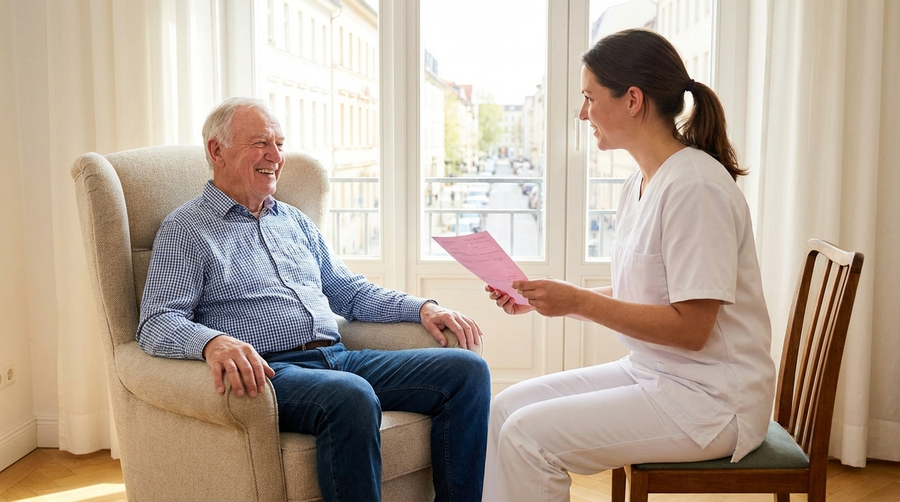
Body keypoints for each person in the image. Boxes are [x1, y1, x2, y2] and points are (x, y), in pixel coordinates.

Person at [137, 97, 490, 502]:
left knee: (467, 371)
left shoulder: (293, 220)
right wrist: (211, 342)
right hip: (273, 373)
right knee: (351, 395)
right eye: (260, 143)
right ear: (217, 151)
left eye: (279, 144)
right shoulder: (187, 228)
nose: (275, 156)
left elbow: (350, 292)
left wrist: (423, 308)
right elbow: (157, 321)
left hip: (339, 359)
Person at [481, 28, 776, 501]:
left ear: (633, 100)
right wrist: (548, 300)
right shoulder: (641, 182)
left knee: (528, 436)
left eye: (589, 98)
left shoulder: (696, 188)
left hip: (712, 400)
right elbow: (645, 294)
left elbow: (691, 329)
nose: (582, 114)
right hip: (656, 372)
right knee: (505, 408)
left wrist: (577, 301)